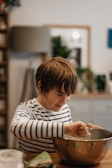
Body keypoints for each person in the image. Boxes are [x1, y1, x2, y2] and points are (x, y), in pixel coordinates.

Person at [10, 56, 100, 153]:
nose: (64, 101)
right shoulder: (27, 109)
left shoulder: (65, 109)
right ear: (40, 87)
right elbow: (17, 128)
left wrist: (83, 132)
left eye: (68, 94)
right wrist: (66, 128)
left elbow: (67, 137)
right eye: (59, 94)